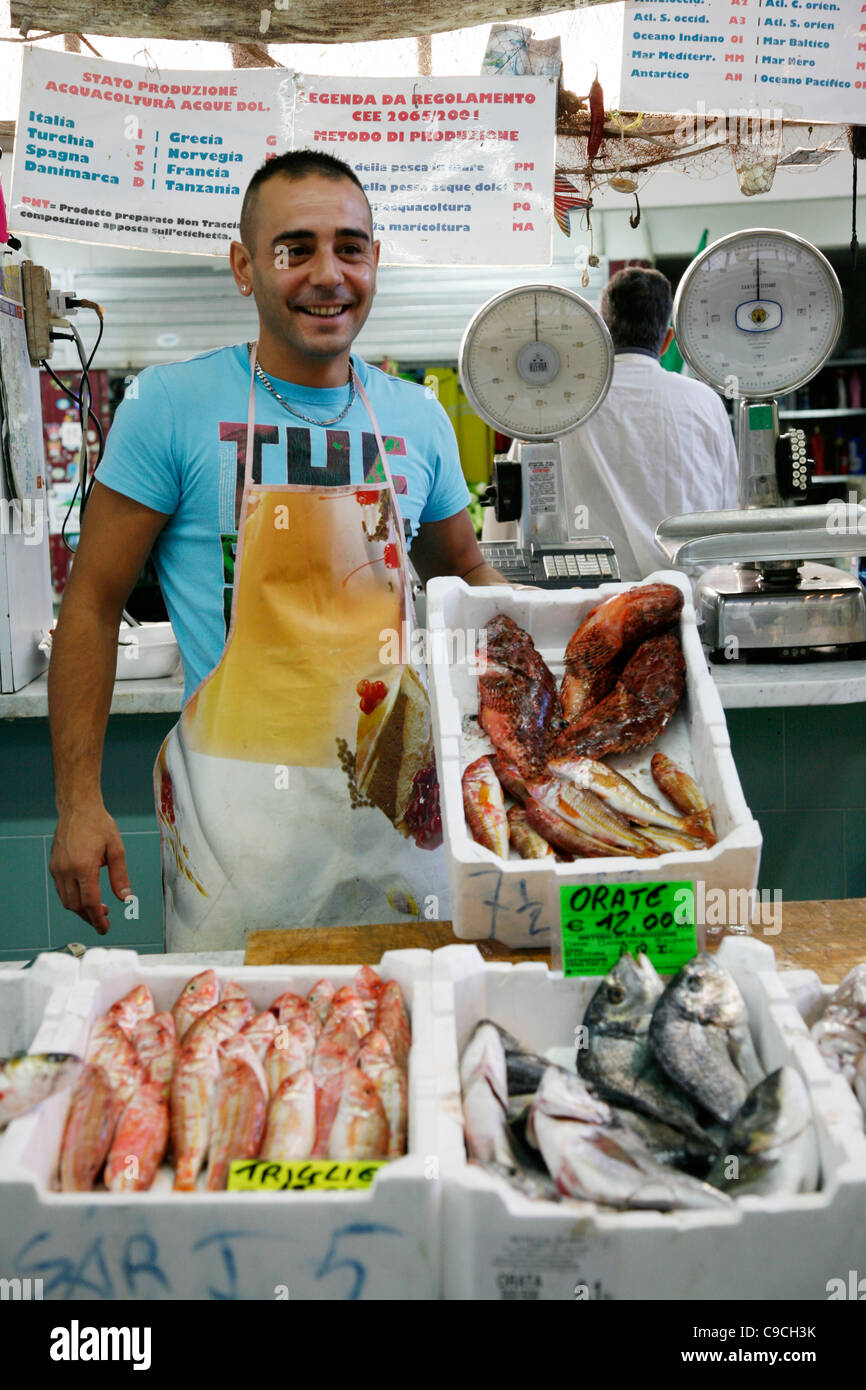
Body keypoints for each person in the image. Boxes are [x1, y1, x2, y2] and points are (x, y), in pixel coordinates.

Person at [48, 150, 509, 949]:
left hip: (399, 812)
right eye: (296, 248)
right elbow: (90, 605)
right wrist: (77, 801)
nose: (328, 274)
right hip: (238, 825)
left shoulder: (418, 416)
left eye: (351, 247)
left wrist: (547, 656)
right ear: (244, 265)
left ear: (374, 260)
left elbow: (465, 571)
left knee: (408, 1046)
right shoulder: (170, 405)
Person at [558, 266, 739, 580]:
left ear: (601, 330)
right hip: (686, 606)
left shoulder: (558, 406)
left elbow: (513, 516)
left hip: (586, 609)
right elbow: (732, 509)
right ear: (667, 338)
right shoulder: (704, 401)